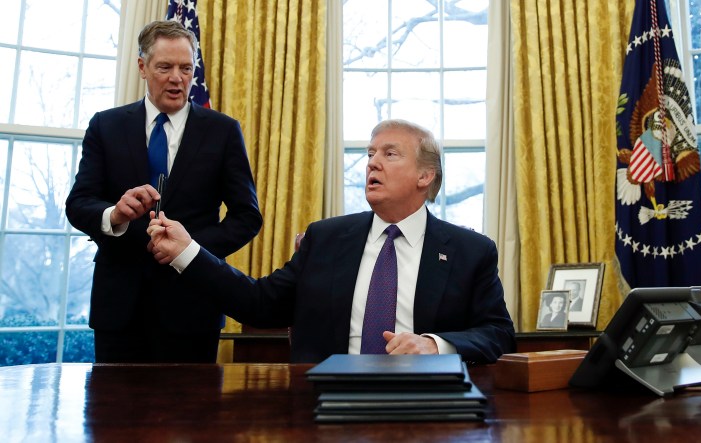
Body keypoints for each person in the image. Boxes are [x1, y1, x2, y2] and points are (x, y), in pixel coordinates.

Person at [147, 119, 516, 364]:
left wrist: (435, 345)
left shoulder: (470, 251)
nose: (372, 163)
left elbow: (498, 334)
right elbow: (260, 304)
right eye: (370, 153)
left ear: (425, 176)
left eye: (389, 154)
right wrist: (188, 252)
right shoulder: (325, 238)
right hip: (322, 403)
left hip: (427, 404)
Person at [65, 20, 262, 363]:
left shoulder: (223, 131)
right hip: (119, 308)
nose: (177, 78)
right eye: (165, 67)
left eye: (186, 68)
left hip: (193, 304)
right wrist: (115, 215)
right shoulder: (105, 126)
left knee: (191, 401)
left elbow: (247, 216)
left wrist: (188, 249)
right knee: (112, 400)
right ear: (142, 67)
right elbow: (79, 203)